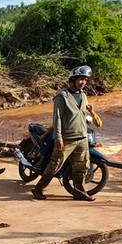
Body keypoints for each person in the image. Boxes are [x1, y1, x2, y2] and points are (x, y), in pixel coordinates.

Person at [32, 65, 95, 201]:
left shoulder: (84, 96)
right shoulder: (62, 97)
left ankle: (79, 191)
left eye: (85, 80)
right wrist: (58, 137)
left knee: (82, 167)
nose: (83, 82)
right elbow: (57, 118)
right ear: (72, 79)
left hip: (82, 137)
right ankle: (38, 189)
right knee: (55, 165)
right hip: (66, 139)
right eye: (81, 79)